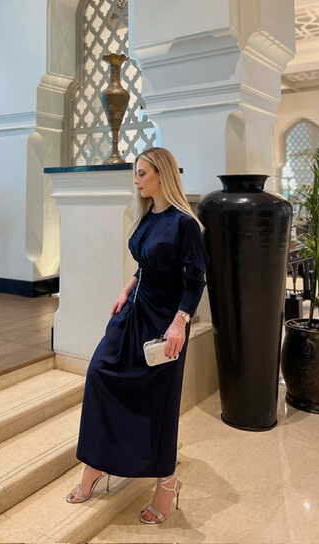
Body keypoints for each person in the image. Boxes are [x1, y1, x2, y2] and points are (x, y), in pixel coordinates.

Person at [65, 146, 207, 524]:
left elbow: (195, 280)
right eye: (136, 173)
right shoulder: (147, 216)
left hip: (163, 325)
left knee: (158, 400)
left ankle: (167, 484)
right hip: (132, 314)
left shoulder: (184, 224)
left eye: (142, 173)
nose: (136, 180)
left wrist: (180, 322)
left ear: (162, 175)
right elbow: (145, 265)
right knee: (100, 374)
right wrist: (127, 289)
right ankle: (97, 463)